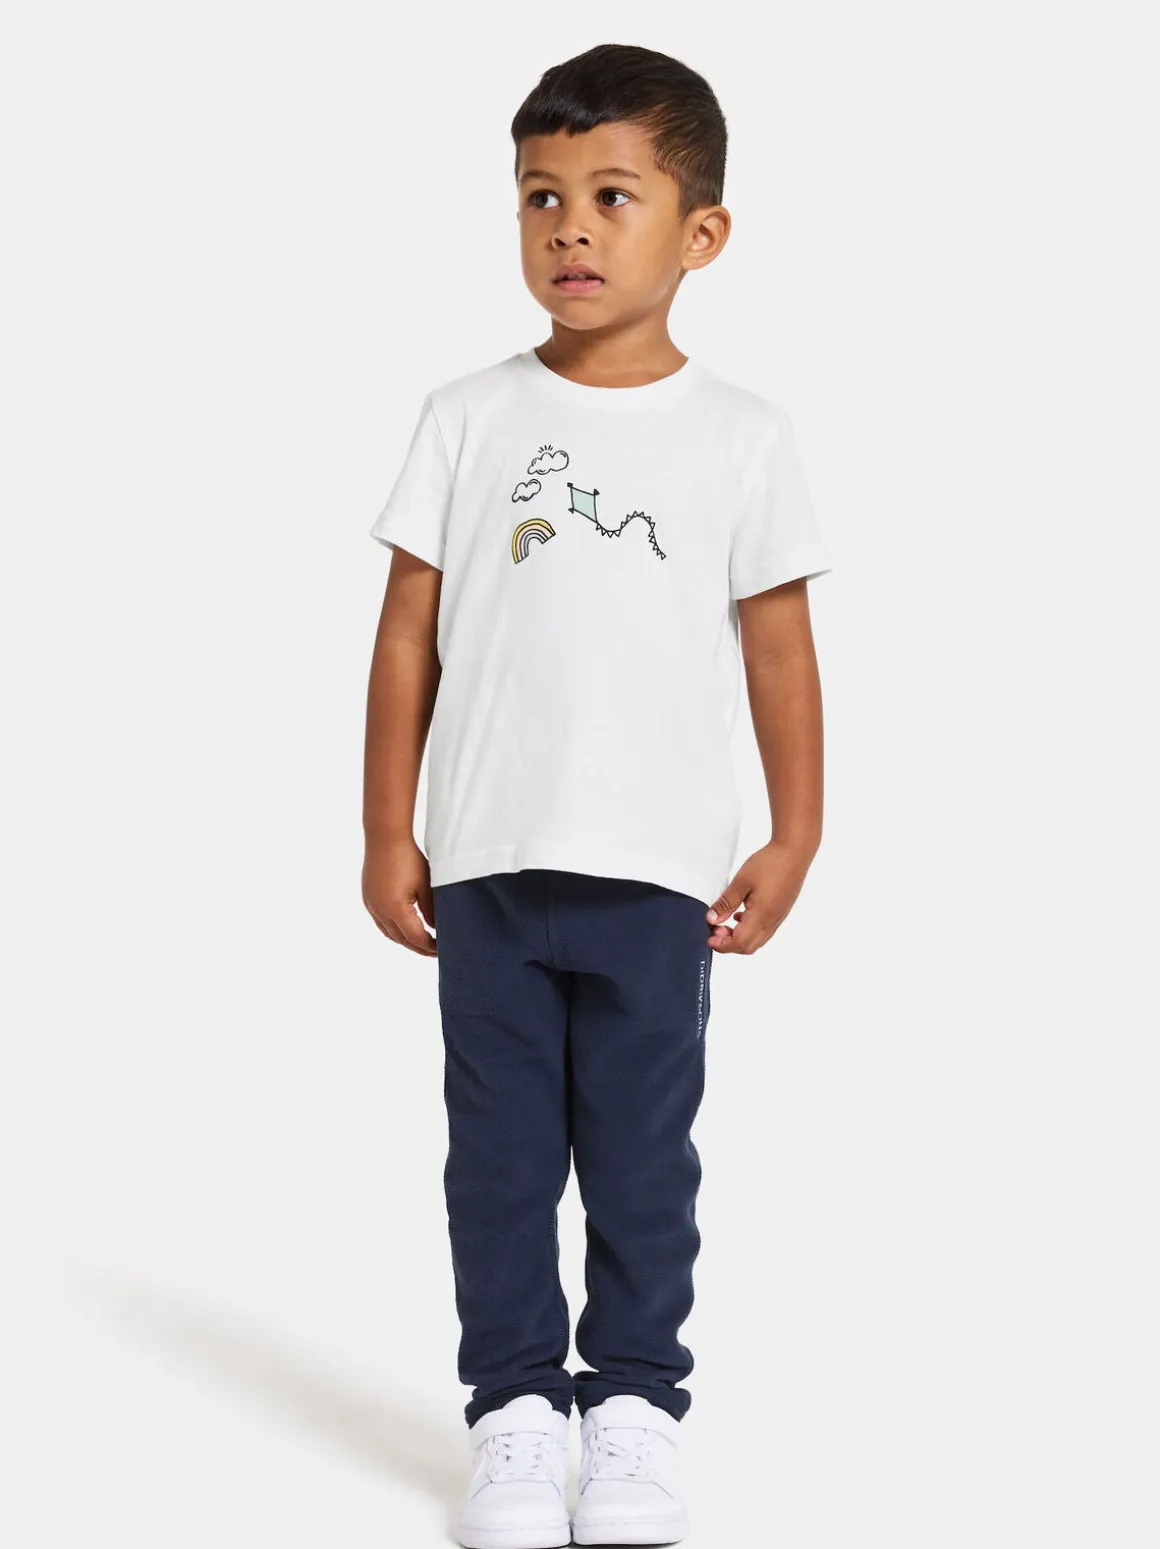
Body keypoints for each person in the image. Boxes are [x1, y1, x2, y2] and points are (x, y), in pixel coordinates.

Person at [362, 42, 831, 1549]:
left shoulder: (744, 436)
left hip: (657, 876)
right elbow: (408, 634)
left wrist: (797, 830)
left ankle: (634, 1406)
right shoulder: (467, 416)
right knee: (497, 1159)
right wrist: (386, 830)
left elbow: (779, 647)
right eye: (541, 197)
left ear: (701, 232)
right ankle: (513, 1408)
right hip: (487, 867)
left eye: (611, 196)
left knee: (641, 1157)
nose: (569, 227)